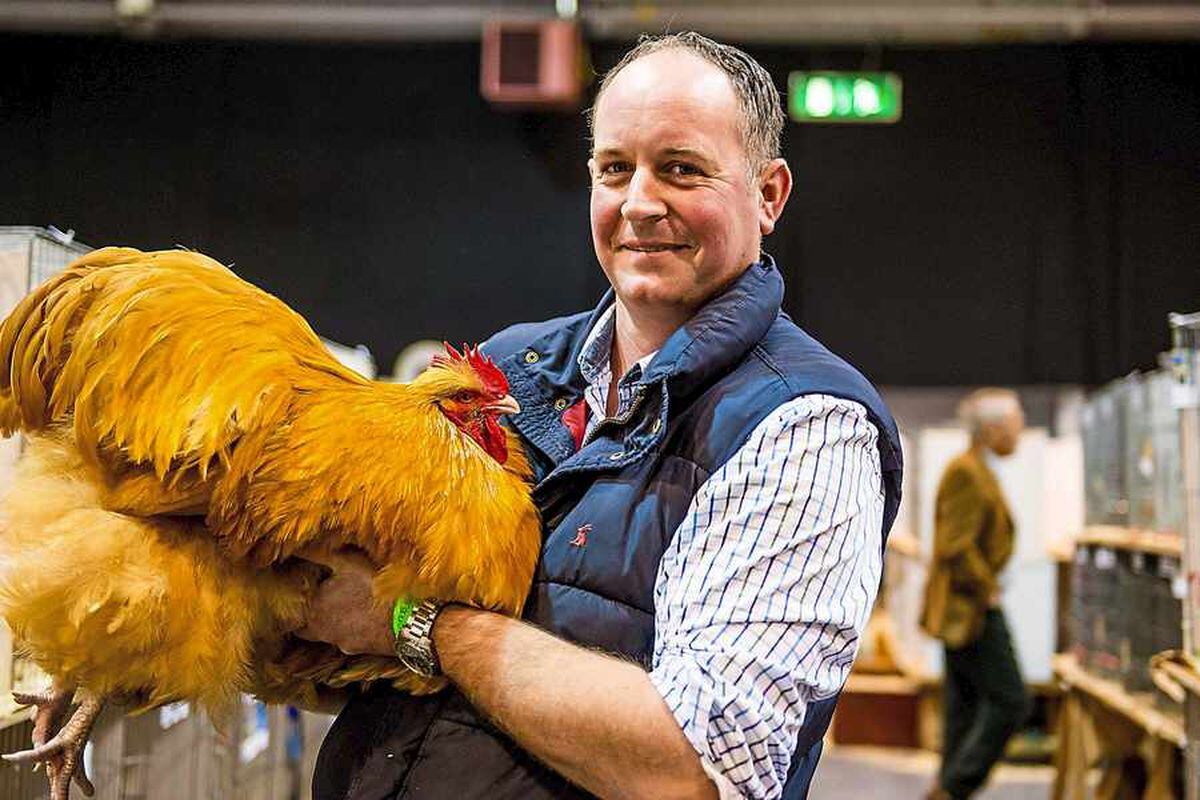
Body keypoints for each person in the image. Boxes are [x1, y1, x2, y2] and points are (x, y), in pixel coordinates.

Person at [299, 32, 903, 800]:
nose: (640, 202)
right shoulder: (507, 368)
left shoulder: (805, 425)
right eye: (615, 168)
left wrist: (427, 629)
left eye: (681, 169)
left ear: (769, 194)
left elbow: (694, 769)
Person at [920, 388, 1031, 800]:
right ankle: (955, 786)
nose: (1021, 429)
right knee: (1011, 699)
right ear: (992, 429)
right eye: (1016, 420)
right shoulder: (966, 471)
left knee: (964, 706)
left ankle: (947, 788)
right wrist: (989, 591)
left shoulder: (977, 468)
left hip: (968, 607)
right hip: (971, 608)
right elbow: (955, 546)